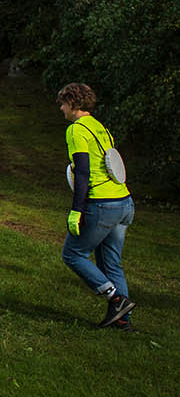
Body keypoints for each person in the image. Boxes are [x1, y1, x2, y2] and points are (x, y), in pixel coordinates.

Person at [58, 82, 135, 330]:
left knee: (72, 254)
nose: (61, 109)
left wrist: (76, 210)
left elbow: (82, 172)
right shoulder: (100, 127)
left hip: (102, 205)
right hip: (123, 202)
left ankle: (115, 298)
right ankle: (122, 321)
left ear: (72, 103)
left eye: (62, 103)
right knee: (111, 263)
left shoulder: (76, 129)